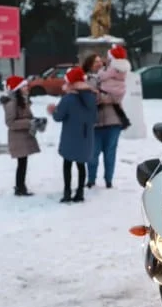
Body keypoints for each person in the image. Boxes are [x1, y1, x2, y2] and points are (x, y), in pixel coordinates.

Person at [47, 67, 97, 203]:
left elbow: (58, 117)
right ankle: (80, 193)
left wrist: (52, 111)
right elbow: (94, 118)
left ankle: (67, 192)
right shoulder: (91, 97)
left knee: (67, 164)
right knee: (81, 165)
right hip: (86, 135)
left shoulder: (68, 99)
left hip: (70, 136)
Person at [87, 45, 129, 188]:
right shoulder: (94, 77)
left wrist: (104, 98)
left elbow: (117, 97)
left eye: (103, 58)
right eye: (96, 61)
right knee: (93, 153)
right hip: (96, 121)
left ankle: (108, 180)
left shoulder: (118, 76)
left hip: (113, 120)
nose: (101, 62)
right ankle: (91, 180)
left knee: (110, 153)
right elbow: (89, 98)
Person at [1, 75, 41, 196]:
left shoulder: (23, 100)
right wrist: (29, 123)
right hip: (18, 138)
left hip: (24, 136)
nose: (27, 87)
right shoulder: (12, 103)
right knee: (22, 163)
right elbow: (10, 123)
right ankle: (20, 188)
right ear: (18, 88)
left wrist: (37, 121)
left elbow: (26, 116)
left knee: (23, 163)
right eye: (24, 86)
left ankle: (20, 186)